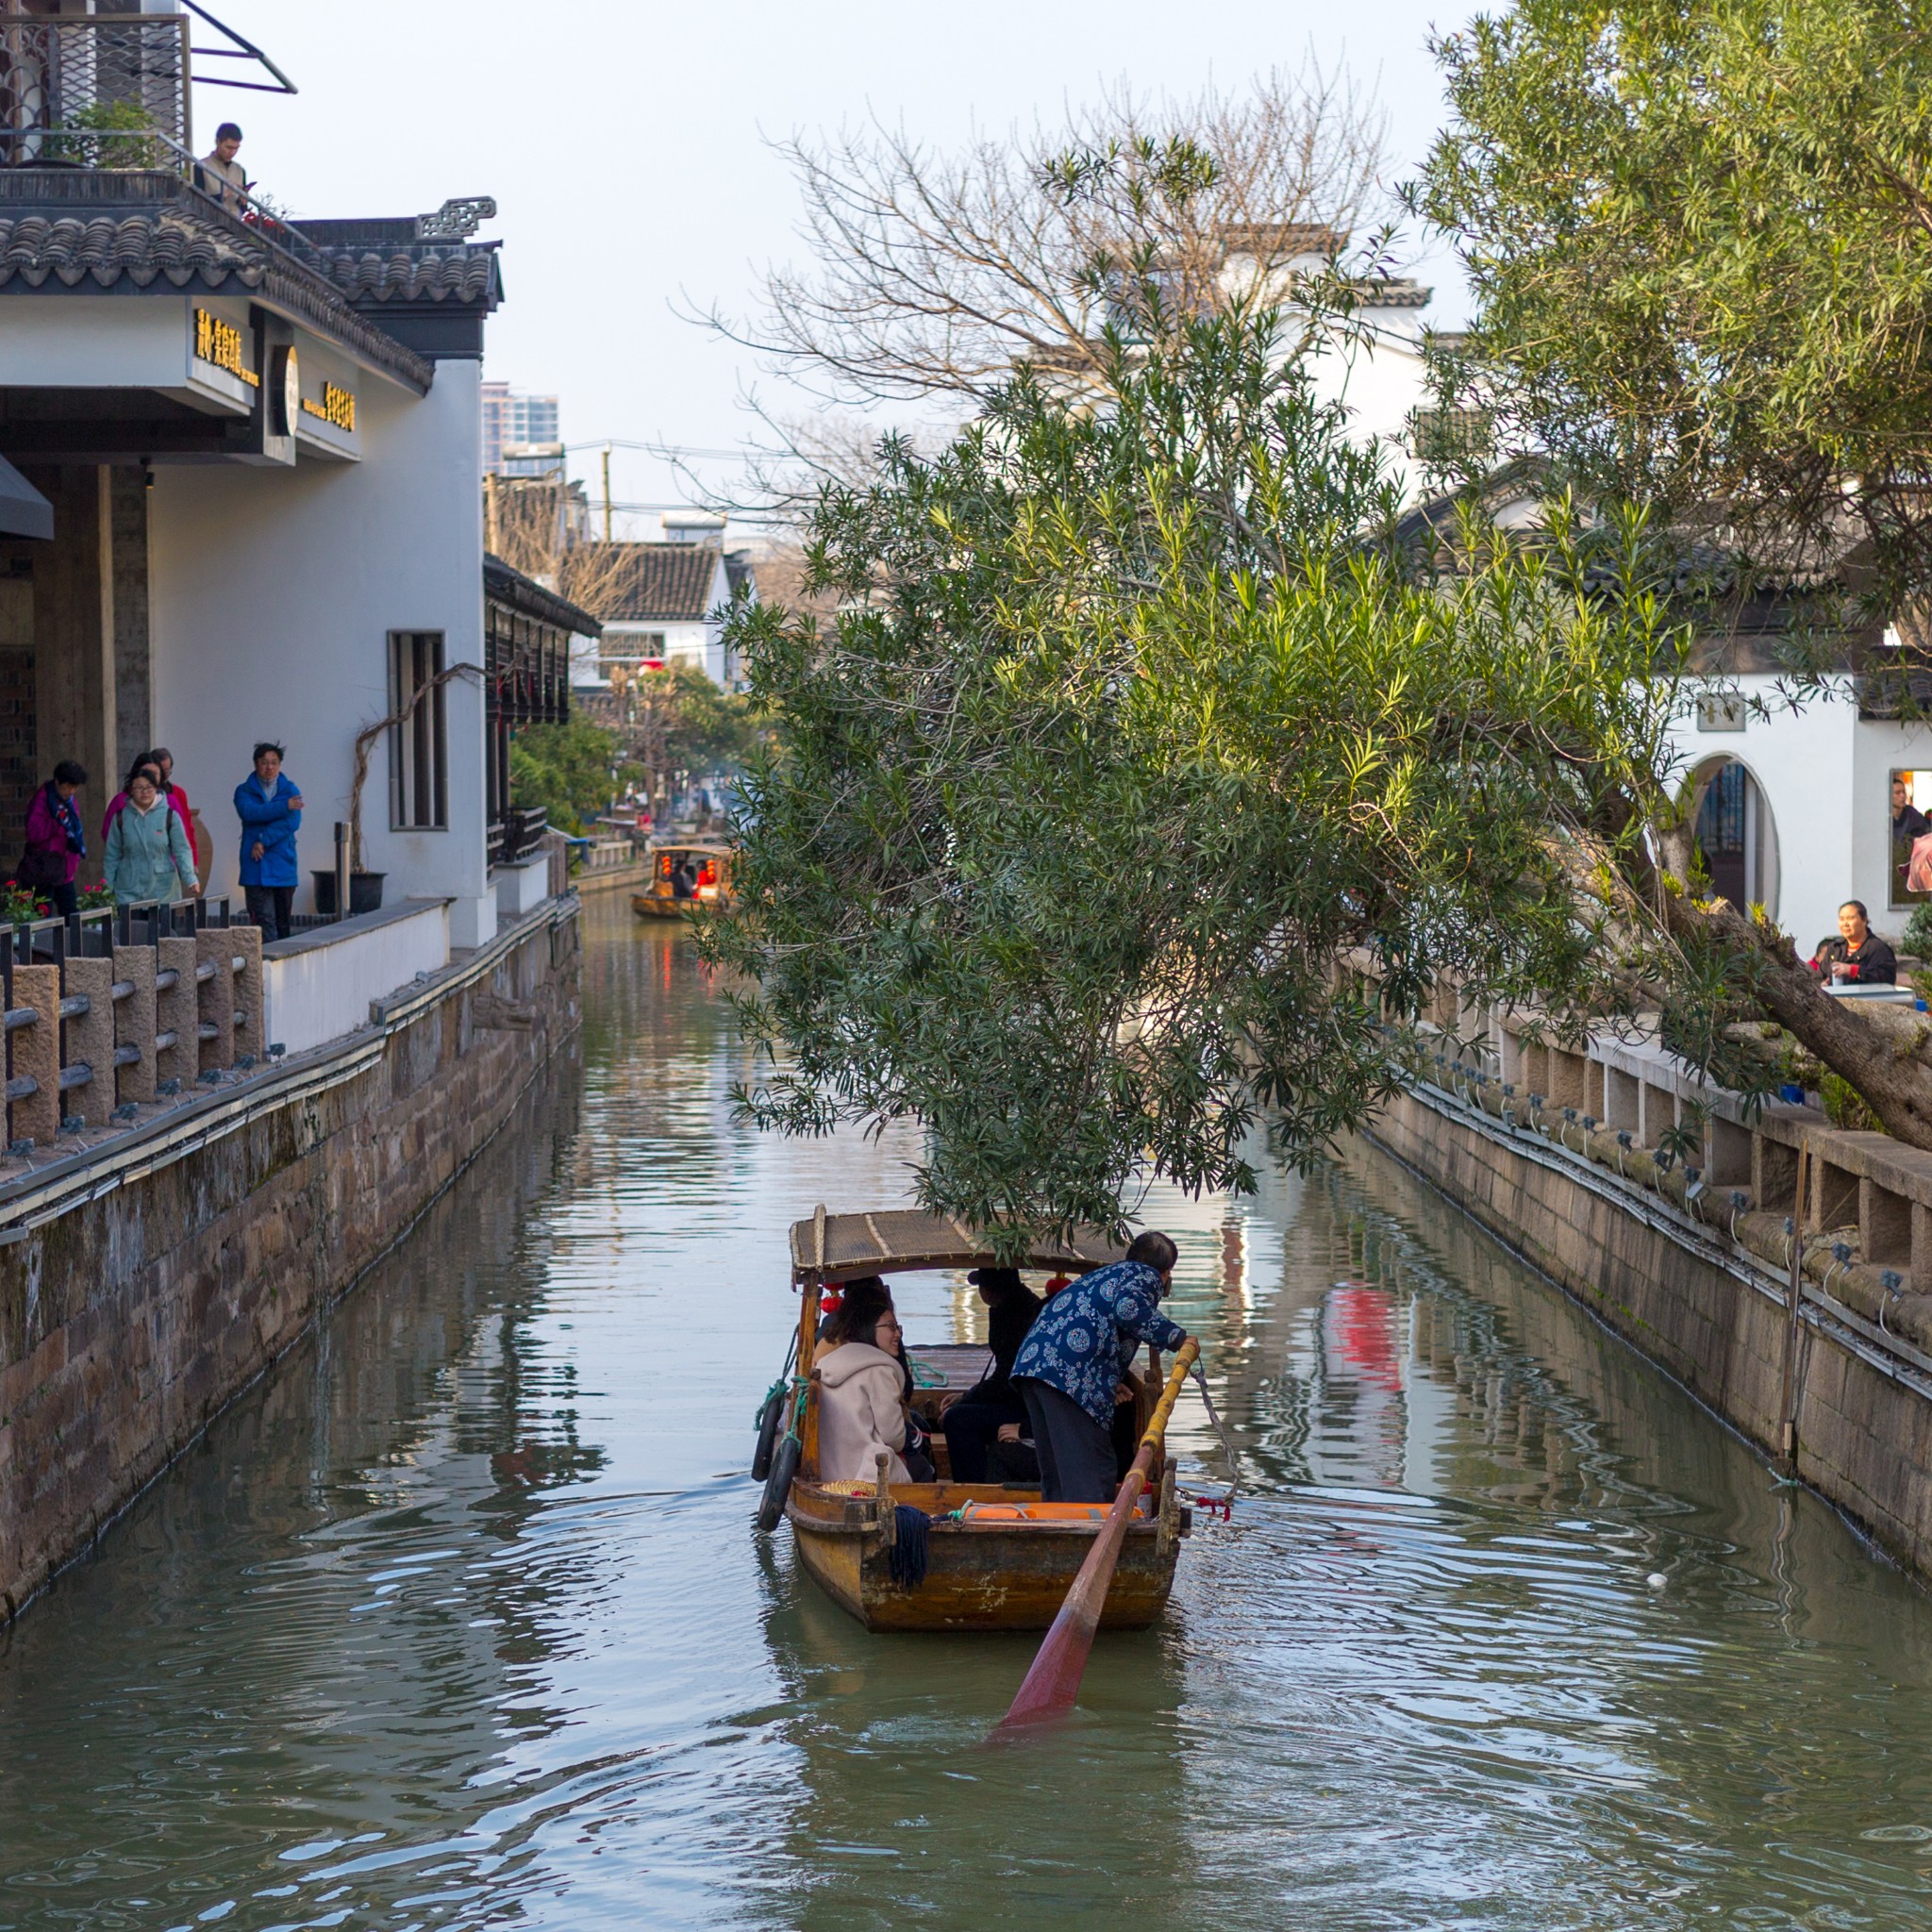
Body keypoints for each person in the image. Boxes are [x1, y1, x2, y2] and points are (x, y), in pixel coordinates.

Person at [1011, 1231, 1190, 1503]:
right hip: (1067, 1375)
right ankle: (1090, 1533)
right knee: (1092, 1467)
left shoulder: (1108, 1275)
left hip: (1034, 1367)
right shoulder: (1144, 1276)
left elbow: (1101, 1326)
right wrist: (1178, 1338)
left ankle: (1058, 1532)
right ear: (1166, 1271)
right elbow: (1129, 1311)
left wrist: (1109, 1380)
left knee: (1059, 1470)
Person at [941, 1267, 1043, 1484]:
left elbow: (1004, 1381)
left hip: (1025, 1407)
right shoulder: (1019, 1306)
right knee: (960, 1413)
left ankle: (973, 1487)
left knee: (957, 1420)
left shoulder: (1016, 1316)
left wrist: (967, 1398)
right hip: (1022, 1400)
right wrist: (966, 1396)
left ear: (988, 1292)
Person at [816, 1298, 929, 1486]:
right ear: (868, 1329)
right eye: (890, 1327)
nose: (897, 1334)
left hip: (829, 1474)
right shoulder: (879, 1371)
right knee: (923, 1466)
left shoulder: (826, 1364)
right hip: (866, 1475)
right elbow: (894, 1438)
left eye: (898, 1327)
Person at [235, 741, 303, 941]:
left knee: (283, 923)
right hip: (255, 867)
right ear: (256, 764)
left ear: (280, 765)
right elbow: (250, 813)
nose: (269, 767)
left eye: (274, 762)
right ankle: (265, 966)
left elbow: (292, 822)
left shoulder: (290, 789)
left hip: (283, 863)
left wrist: (263, 840)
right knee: (264, 923)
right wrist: (284, 807)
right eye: (264, 762)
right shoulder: (244, 791)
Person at [104, 766, 196, 908]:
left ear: (156, 787)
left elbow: (182, 849)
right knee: (133, 929)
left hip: (164, 892)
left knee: (162, 929)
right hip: (128, 891)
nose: (145, 792)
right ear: (131, 789)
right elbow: (112, 855)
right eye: (139, 787)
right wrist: (107, 888)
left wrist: (190, 878)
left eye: (149, 787)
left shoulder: (169, 816)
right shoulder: (121, 818)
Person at [103, 747, 198, 872]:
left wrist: (188, 865)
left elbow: (182, 835)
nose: (150, 777)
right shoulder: (120, 801)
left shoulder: (171, 800)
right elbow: (108, 834)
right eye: (146, 772)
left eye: (155, 773)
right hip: (129, 869)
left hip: (164, 871)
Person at [20, 760, 87, 917]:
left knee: (71, 915)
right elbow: (33, 833)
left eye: (74, 787)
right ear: (57, 781)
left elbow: (74, 829)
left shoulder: (69, 801)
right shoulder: (42, 799)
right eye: (68, 786)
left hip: (64, 868)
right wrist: (56, 823)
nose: (71, 791)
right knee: (43, 917)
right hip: (44, 869)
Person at [1810, 900, 1898, 987]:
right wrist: (1822, 984)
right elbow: (1819, 976)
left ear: (1864, 920)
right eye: (1841, 919)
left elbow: (1887, 979)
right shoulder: (1835, 948)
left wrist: (1853, 970)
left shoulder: (1878, 948)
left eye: (1850, 918)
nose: (1845, 924)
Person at [195, 123, 247, 209]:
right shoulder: (200, 167)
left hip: (234, 221)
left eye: (236, 148)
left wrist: (243, 200)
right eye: (229, 147)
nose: (232, 152)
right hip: (209, 221)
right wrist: (223, 195)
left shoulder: (240, 171)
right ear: (217, 142)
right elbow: (196, 203)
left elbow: (242, 209)